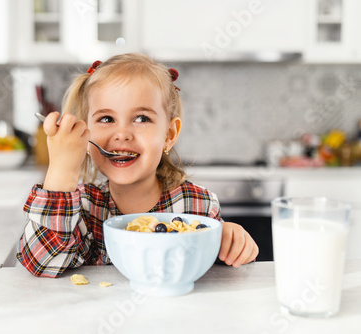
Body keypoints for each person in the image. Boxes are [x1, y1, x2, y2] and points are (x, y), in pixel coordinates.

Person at [17, 53, 258, 278]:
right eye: (106, 119)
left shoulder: (197, 206)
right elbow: (42, 262)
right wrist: (61, 169)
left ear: (169, 134)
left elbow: (222, 271)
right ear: (85, 134)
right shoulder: (81, 209)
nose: (122, 134)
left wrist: (230, 241)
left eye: (141, 118)